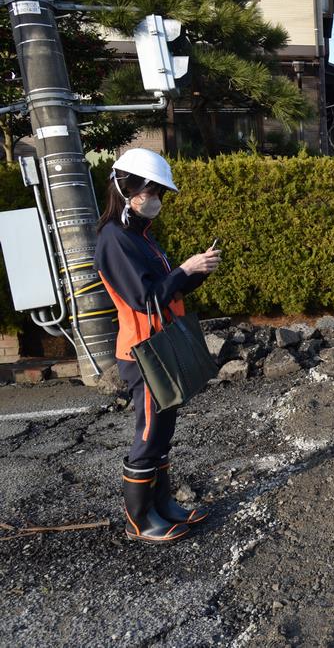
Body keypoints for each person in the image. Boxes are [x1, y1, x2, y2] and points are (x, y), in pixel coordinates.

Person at [95, 149, 222, 544]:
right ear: (126, 188)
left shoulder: (139, 237)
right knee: (149, 433)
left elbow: (165, 292)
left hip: (159, 344)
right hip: (142, 351)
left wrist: (195, 272)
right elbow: (143, 299)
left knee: (162, 432)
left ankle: (162, 506)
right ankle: (139, 520)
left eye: (160, 193)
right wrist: (184, 269)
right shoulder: (115, 239)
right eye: (152, 190)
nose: (157, 200)